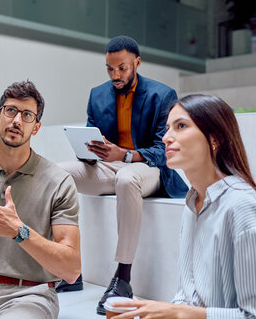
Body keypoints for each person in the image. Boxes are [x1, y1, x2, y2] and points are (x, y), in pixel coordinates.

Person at [110, 94, 256, 318]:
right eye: (168, 128)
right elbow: (188, 298)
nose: (166, 137)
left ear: (215, 139)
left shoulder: (241, 206)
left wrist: (177, 312)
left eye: (181, 126)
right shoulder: (192, 203)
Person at [58, 35, 189, 314]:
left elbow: (163, 149)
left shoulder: (162, 95)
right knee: (58, 173)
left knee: (127, 177)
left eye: (122, 68)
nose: (115, 75)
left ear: (137, 63)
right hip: (109, 165)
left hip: (149, 169)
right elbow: (90, 134)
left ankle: (123, 278)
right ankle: (70, 268)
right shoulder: (98, 94)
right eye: (109, 68)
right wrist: (87, 150)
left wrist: (125, 155)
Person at [0, 80, 81, 319]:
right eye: (11, 111)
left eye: (27, 115)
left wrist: (18, 230)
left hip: (31, 296)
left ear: (37, 127)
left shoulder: (59, 182)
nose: (17, 120)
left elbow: (71, 270)